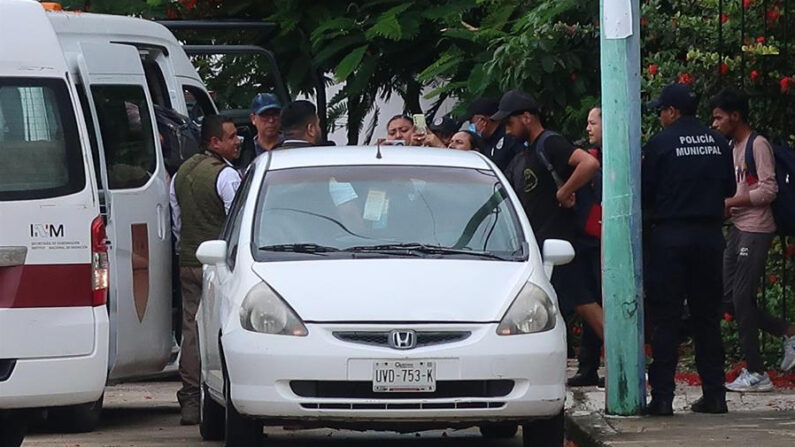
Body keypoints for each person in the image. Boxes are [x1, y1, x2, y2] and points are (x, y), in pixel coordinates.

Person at [642, 83, 735, 416]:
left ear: (672, 111)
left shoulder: (660, 144)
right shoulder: (719, 143)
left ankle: (663, 397)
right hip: (709, 238)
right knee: (707, 319)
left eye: (661, 111)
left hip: (671, 237)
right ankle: (715, 394)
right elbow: (730, 188)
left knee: (666, 320)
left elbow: (646, 196)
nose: (660, 117)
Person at [710, 88, 795, 391]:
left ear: (736, 115)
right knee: (731, 297)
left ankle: (757, 372)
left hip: (757, 228)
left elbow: (769, 190)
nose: (715, 123)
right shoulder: (732, 146)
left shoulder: (757, 145)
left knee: (742, 297)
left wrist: (732, 202)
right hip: (737, 227)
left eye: (719, 117)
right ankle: (787, 331)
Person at [496, 90, 600, 327]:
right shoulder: (526, 151)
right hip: (541, 245)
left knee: (582, 302)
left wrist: (564, 192)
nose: (507, 130)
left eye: (509, 122)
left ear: (526, 117)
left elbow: (589, 163)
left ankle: (624, 358)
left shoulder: (549, 142)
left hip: (560, 243)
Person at [169, 114, 242, 425]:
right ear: (215, 142)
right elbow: (236, 223)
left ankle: (189, 400)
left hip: (188, 260)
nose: (238, 141)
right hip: (219, 265)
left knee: (191, 331)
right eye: (231, 137)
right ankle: (224, 396)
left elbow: (176, 221)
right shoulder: (227, 176)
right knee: (224, 330)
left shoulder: (180, 173)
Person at [567, 106, 606, 387]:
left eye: (593, 123)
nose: (588, 128)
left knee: (599, 302)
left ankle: (619, 360)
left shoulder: (619, 160)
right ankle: (588, 366)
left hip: (604, 239)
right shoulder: (589, 158)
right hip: (586, 239)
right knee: (588, 302)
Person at [465, 97, 525, 170]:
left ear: (483, 120)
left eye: (472, 122)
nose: (471, 126)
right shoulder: (484, 142)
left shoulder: (510, 138)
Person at [236, 93, 283, 169]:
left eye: (275, 114)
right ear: (253, 119)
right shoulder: (246, 151)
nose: (271, 120)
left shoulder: (290, 144)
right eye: (265, 115)